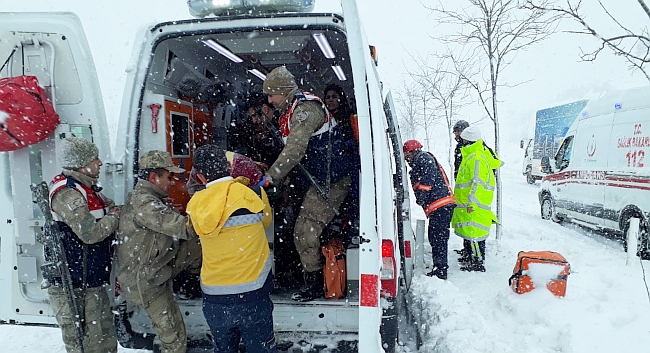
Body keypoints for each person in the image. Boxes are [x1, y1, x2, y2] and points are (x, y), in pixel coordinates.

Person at [263, 66, 353, 302]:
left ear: (283, 91)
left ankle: (314, 284)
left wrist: (271, 177)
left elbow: (295, 149)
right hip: (318, 177)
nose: (269, 100)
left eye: (272, 94)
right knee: (296, 228)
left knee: (304, 233)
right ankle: (302, 273)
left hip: (331, 180)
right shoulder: (291, 110)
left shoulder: (305, 110)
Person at [186, 145, 276, 353]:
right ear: (228, 166)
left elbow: (193, 229)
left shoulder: (195, 204)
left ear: (200, 177)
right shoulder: (253, 193)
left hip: (214, 299)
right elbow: (266, 220)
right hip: (253, 295)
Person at [116, 150, 202, 353]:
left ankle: (197, 284)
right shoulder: (145, 203)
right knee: (174, 338)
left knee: (196, 245)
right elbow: (186, 228)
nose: (173, 182)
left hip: (156, 268)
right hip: (146, 281)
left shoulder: (146, 198)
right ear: (154, 177)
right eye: (169, 177)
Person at [48, 137, 121, 353]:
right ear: (81, 163)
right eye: (94, 158)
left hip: (89, 280)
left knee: (104, 341)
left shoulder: (88, 189)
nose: (100, 162)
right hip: (75, 285)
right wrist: (115, 218)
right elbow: (90, 233)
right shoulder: (68, 192)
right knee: (87, 345)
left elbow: (112, 208)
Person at [451, 126, 503, 272]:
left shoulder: (477, 157)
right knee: (469, 231)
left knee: (475, 234)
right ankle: (469, 257)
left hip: (474, 204)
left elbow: (477, 182)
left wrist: (472, 202)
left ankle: (477, 263)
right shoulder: (472, 155)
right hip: (468, 203)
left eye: (464, 140)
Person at [403, 140, 456, 280]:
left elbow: (428, 178)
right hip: (440, 206)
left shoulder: (423, 158)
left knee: (438, 238)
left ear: (413, 151)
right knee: (436, 237)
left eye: (407, 155)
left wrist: (421, 195)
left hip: (441, 205)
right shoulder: (420, 162)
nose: (406, 159)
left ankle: (441, 270)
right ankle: (439, 267)